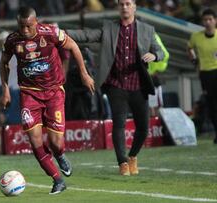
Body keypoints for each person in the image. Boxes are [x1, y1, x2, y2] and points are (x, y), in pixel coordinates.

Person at [0, 7, 95, 194]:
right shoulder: (12, 40)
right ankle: (57, 180)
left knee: (56, 143)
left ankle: (59, 155)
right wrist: (5, 90)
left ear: (36, 22)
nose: (25, 31)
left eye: (28, 26)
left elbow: (74, 46)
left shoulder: (51, 33)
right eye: (21, 26)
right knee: (35, 141)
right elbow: (3, 62)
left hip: (53, 93)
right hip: (29, 94)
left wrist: (85, 74)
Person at [66, 0, 164, 176]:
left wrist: (155, 55)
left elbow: (160, 51)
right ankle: (123, 162)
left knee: (143, 127)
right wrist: (62, 33)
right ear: (118, 8)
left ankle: (133, 156)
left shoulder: (147, 30)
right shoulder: (109, 28)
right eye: (122, 4)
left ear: (134, 7)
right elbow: (88, 35)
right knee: (119, 124)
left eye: (128, 4)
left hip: (138, 85)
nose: (125, 7)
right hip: (115, 85)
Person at [187, 8, 217, 144]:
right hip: (205, 73)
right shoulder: (196, 37)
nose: (208, 22)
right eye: (205, 20)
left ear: (215, 21)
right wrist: (193, 58)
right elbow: (189, 48)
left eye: (210, 19)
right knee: (211, 104)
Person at [148, 33, 169, 117]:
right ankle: (154, 119)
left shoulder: (152, 37)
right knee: (152, 104)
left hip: (153, 80)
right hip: (149, 79)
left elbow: (165, 55)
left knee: (155, 104)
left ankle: (156, 119)